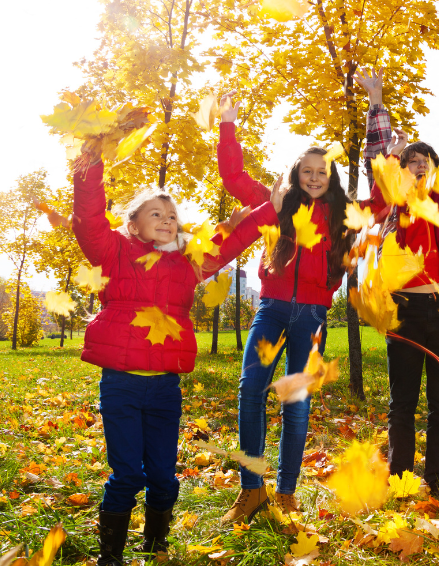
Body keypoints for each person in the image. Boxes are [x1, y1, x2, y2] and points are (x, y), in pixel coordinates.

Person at [73, 146, 267, 566]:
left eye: (172, 215)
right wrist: (90, 161)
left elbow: (234, 239)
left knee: (162, 474)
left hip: (164, 388)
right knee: (127, 473)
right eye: (155, 214)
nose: (166, 220)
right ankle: (111, 556)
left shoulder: (189, 263)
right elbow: (88, 219)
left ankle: (156, 544)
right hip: (121, 384)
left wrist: (277, 208)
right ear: (133, 224)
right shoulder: (113, 252)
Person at [217, 93, 354, 523]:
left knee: (296, 404)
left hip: (311, 321)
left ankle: (286, 492)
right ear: (297, 173)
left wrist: (388, 154)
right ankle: (251, 490)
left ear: (331, 178)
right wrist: (227, 126)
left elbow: (386, 203)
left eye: (322, 172)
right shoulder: (278, 201)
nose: (314, 177)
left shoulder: (342, 213)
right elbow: (233, 177)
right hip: (273, 311)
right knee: (251, 389)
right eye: (307, 170)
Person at [356, 67, 439, 502]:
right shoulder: (392, 200)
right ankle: (402, 481)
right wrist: (376, 103)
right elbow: (378, 153)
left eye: (426, 161)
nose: (419, 165)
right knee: (402, 402)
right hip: (404, 308)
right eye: (411, 161)